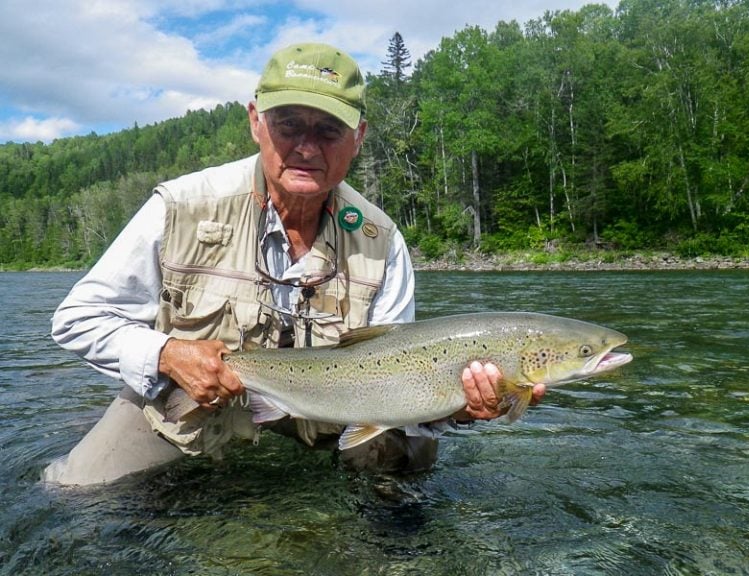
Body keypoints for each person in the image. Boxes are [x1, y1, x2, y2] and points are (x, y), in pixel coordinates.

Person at [43, 43, 545, 486]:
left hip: (331, 413)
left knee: (407, 466)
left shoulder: (381, 240)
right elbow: (78, 319)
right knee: (80, 490)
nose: (307, 147)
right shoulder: (181, 206)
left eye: (329, 130)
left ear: (359, 137)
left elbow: (404, 374)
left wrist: (462, 406)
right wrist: (168, 353)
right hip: (191, 405)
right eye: (288, 125)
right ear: (255, 121)